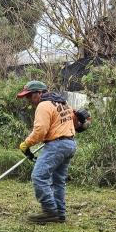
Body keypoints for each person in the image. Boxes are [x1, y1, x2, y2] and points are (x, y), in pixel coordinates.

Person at [17, 80, 90, 224]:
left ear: (39, 93)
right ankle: (60, 214)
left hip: (57, 145)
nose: (29, 100)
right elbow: (76, 124)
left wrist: (26, 144)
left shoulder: (43, 105)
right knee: (58, 181)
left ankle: (50, 211)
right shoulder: (62, 103)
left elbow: (40, 131)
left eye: (30, 96)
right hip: (69, 144)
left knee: (39, 176)